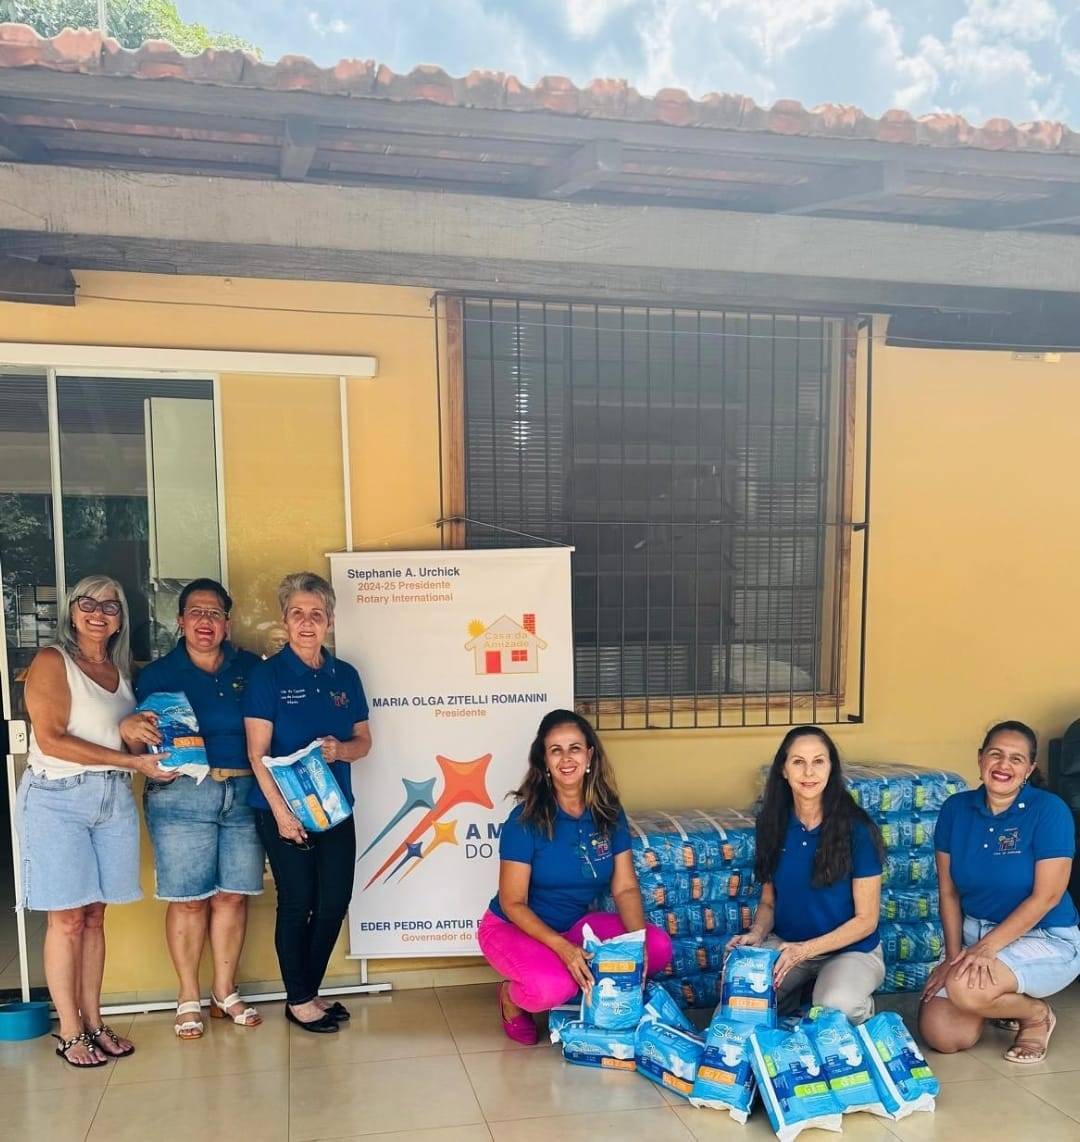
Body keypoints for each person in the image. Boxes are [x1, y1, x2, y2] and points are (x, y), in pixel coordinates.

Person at [15, 575, 177, 1068]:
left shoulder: (121, 671)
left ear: (121, 618)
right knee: (65, 917)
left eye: (111, 605)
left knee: (95, 915)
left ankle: (94, 1020)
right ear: (70, 610)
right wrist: (133, 763)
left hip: (111, 800)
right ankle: (68, 1029)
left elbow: (125, 739)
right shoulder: (51, 661)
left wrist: (139, 738)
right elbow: (52, 739)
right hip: (56, 799)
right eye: (88, 603)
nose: (99, 612)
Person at [477, 708, 673, 1045]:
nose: (566, 758)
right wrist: (564, 950)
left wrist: (636, 944)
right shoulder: (524, 820)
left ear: (590, 756)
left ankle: (577, 977)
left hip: (574, 925)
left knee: (656, 947)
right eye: (555, 750)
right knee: (553, 988)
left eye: (575, 748)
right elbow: (513, 902)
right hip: (512, 926)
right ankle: (511, 998)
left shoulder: (608, 812)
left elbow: (625, 887)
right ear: (544, 761)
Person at [135, 578, 264, 1039]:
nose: (204, 621)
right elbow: (132, 735)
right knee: (189, 900)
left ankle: (224, 991)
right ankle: (188, 994)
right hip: (181, 796)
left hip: (244, 792)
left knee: (233, 893)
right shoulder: (156, 675)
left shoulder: (251, 668)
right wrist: (137, 739)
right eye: (196, 612)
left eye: (214, 613)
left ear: (227, 623)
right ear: (180, 621)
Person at [243, 571, 371, 1034]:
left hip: (335, 808)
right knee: (298, 902)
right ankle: (299, 998)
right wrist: (280, 813)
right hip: (283, 810)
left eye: (316, 614)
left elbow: (363, 741)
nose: (307, 622)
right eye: (298, 613)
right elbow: (256, 754)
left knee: (334, 900)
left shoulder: (346, 675)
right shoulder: (267, 676)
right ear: (285, 620)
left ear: (330, 620)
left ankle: (307, 991)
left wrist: (341, 750)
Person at [919, 721, 1080, 1063]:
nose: (1004, 765)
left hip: (1044, 935)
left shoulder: (1049, 811)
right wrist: (952, 957)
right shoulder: (956, 809)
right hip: (975, 932)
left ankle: (1034, 1014)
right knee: (943, 1035)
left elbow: (1047, 897)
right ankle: (992, 999)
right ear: (980, 759)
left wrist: (985, 949)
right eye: (996, 754)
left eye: (1016, 759)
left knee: (965, 989)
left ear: (1029, 769)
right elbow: (948, 892)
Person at [728, 725, 885, 1024]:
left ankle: (854, 1005)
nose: (809, 772)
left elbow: (867, 921)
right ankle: (801, 994)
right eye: (798, 762)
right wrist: (757, 934)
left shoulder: (857, 829)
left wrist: (806, 951)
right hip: (789, 944)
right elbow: (769, 902)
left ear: (831, 769)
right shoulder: (772, 824)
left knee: (835, 1007)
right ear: (784, 770)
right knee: (742, 996)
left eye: (818, 761)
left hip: (849, 950)